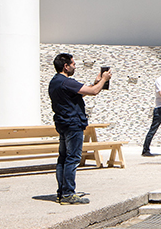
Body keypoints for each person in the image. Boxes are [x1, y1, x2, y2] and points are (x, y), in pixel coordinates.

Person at [48, 52, 111, 205]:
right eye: (73, 64)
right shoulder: (66, 81)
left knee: (63, 158)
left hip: (62, 124)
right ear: (66, 66)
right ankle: (68, 193)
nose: (74, 67)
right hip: (73, 124)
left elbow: (80, 93)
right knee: (73, 158)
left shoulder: (54, 82)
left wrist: (96, 82)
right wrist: (104, 79)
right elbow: (94, 92)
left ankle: (61, 193)